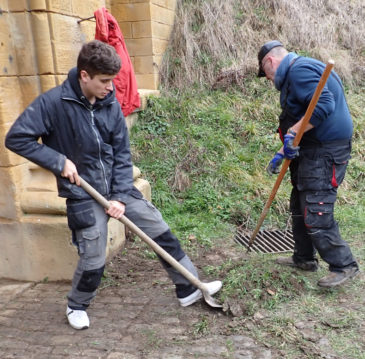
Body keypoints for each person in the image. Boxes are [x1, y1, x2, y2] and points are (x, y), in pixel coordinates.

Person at [5, 40, 222, 330]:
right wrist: (58, 162)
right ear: (85, 75)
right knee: (94, 254)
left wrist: (120, 196)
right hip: (83, 192)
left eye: (112, 81)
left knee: (158, 229)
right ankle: (77, 305)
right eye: (104, 81)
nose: (110, 87)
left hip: (116, 187)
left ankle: (190, 288)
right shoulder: (53, 104)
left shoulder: (109, 104)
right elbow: (17, 138)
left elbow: (122, 154)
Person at [257, 40, 359, 288]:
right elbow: (303, 117)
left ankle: (344, 265)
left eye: (266, 74)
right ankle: (304, 258)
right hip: (312, 150)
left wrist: (292, 132)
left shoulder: (299, 71)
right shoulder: (299, 70)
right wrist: (283, 150)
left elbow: (323, 105)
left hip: (324, 152)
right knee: (300, 203)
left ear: (270, 61)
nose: (269, 80)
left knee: (316, 206)